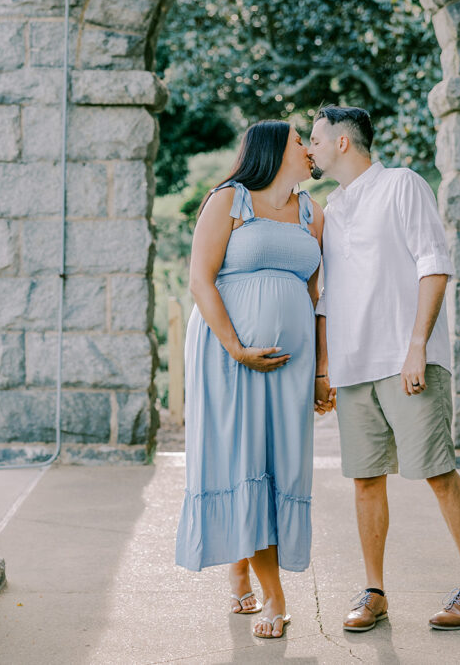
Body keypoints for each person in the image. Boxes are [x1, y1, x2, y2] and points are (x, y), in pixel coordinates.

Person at [307, 106, 460, 632]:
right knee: (365, 480)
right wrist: (326, 369)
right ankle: (373, 593)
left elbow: (434, 265)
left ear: (343, 142)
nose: (311, 149)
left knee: (436, 472)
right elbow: (328, 299)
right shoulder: (333, 208)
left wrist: (418, 347)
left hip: (407, 360)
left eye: (317, 140)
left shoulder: (403, 185)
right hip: (354, 365)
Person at [174, 120, 325, 639]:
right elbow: (200, 278)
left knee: (279, 466)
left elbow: (315, 298)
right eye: (300, 140)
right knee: (246, 461)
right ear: (275, 149)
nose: (309, 148)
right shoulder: (229, 199)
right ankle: (274, 594)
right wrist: (237, 347)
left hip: (290, 363)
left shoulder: (313, 213)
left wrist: (320, 371)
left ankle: (241, 563)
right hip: (228, 355)